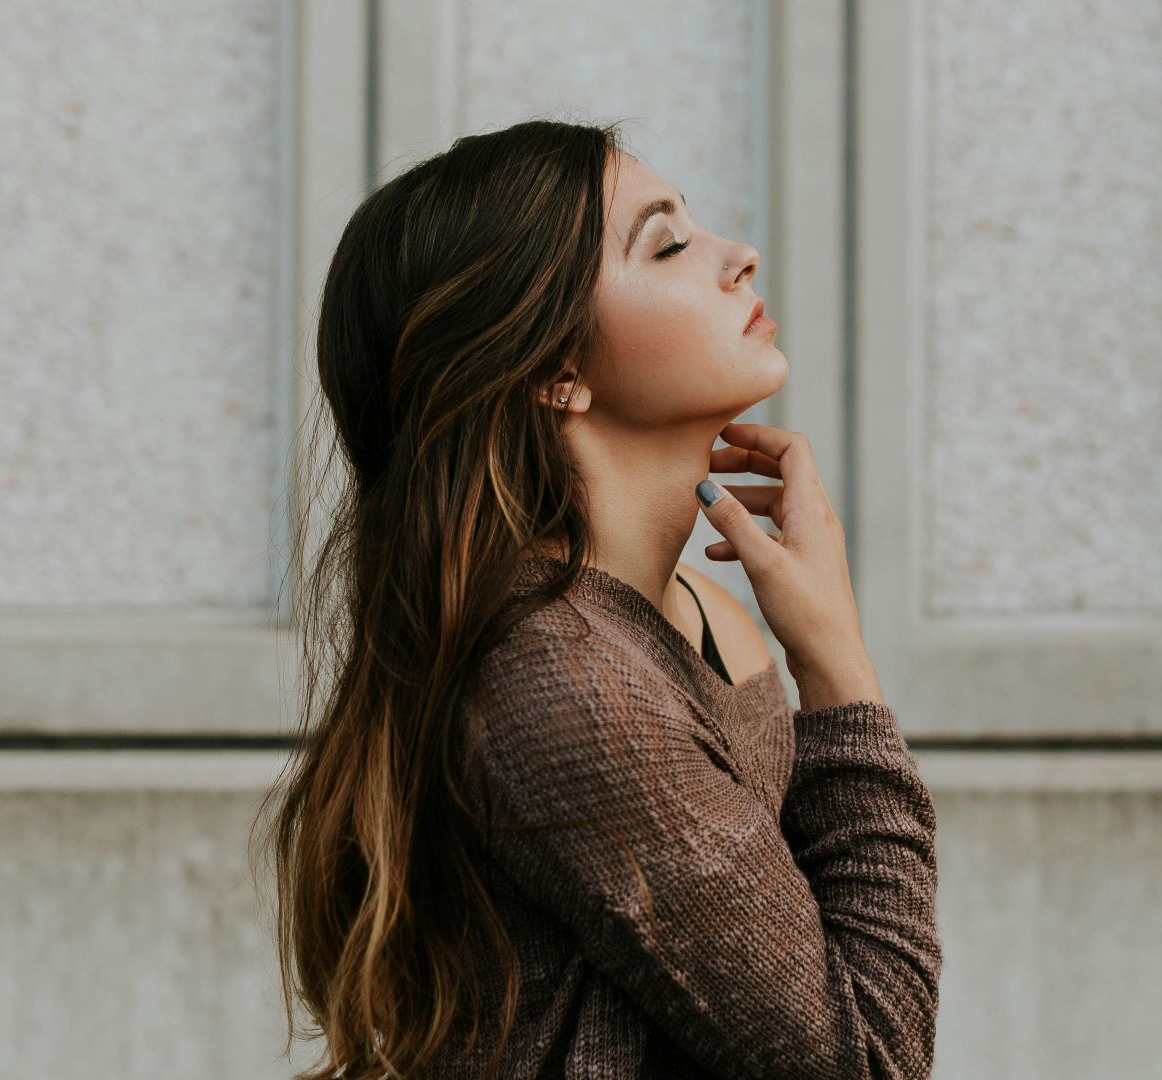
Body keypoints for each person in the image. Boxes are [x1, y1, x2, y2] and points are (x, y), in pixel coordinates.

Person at [258, 118, 940, 1079]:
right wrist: (840, 669)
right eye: (667, 244)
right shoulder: (566, 683)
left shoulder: (712, 617)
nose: (738, 257)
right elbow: (861, 1056)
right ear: (554, 372)